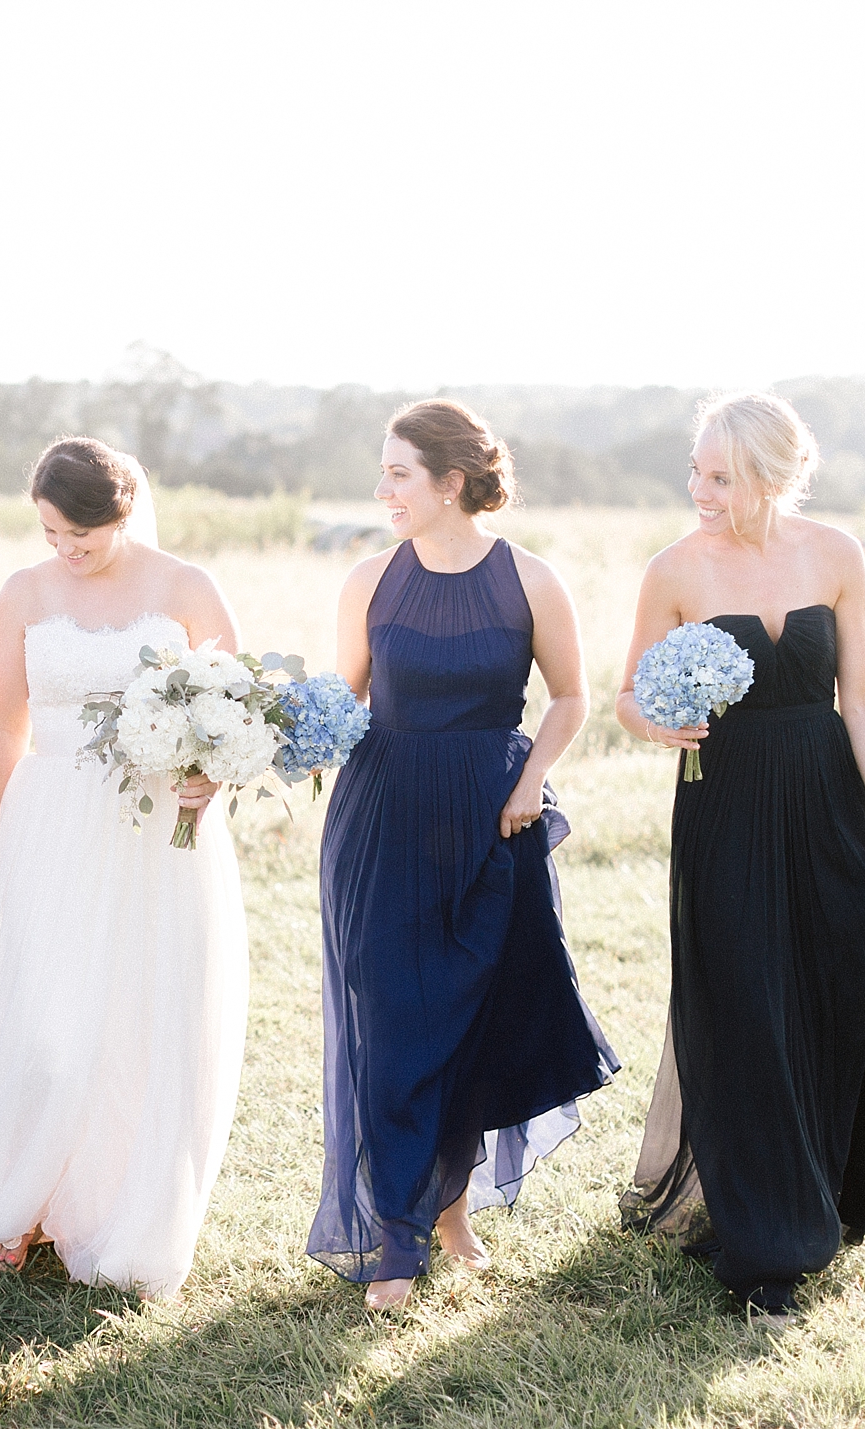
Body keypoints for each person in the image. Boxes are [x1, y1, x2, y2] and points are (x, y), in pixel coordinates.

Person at [0, 437, 249, 1300]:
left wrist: (214, 771)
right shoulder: (23, 591)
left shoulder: (187, 586)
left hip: (158, 826)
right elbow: (5, 726)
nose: (65, 549)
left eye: (80, 536)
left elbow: (240, 706)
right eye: (52, 532)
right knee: (48, 1012)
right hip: (52, 815)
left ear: (123, 514)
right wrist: (0, 827)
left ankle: (118, 1201)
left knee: (141, 1006)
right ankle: (16, 1191)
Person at [308, 398, 620, 1312]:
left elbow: (571, 698)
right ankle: (396, 1240)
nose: (383, 488)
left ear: (452, 483)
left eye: (399, 472)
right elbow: (344, 698)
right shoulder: (371, 579)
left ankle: (448, 1216)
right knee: (395, 1016)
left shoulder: (530, 579)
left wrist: (533, 783)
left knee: (470, 1017)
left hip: (494, 818)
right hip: (383, 817)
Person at [617, 392, 865, 1320]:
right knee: (743, 1000)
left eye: (719, 476)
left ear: (772, 476)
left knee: (831, 986)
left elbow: (860, 698)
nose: (698, 489)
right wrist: (658, 722)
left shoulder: (836, 555)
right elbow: (627, 695)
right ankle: (768, 1243)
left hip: (829, 803)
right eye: (695, 470)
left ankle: (824, 1184)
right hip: (724, 804)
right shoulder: (673, 570)